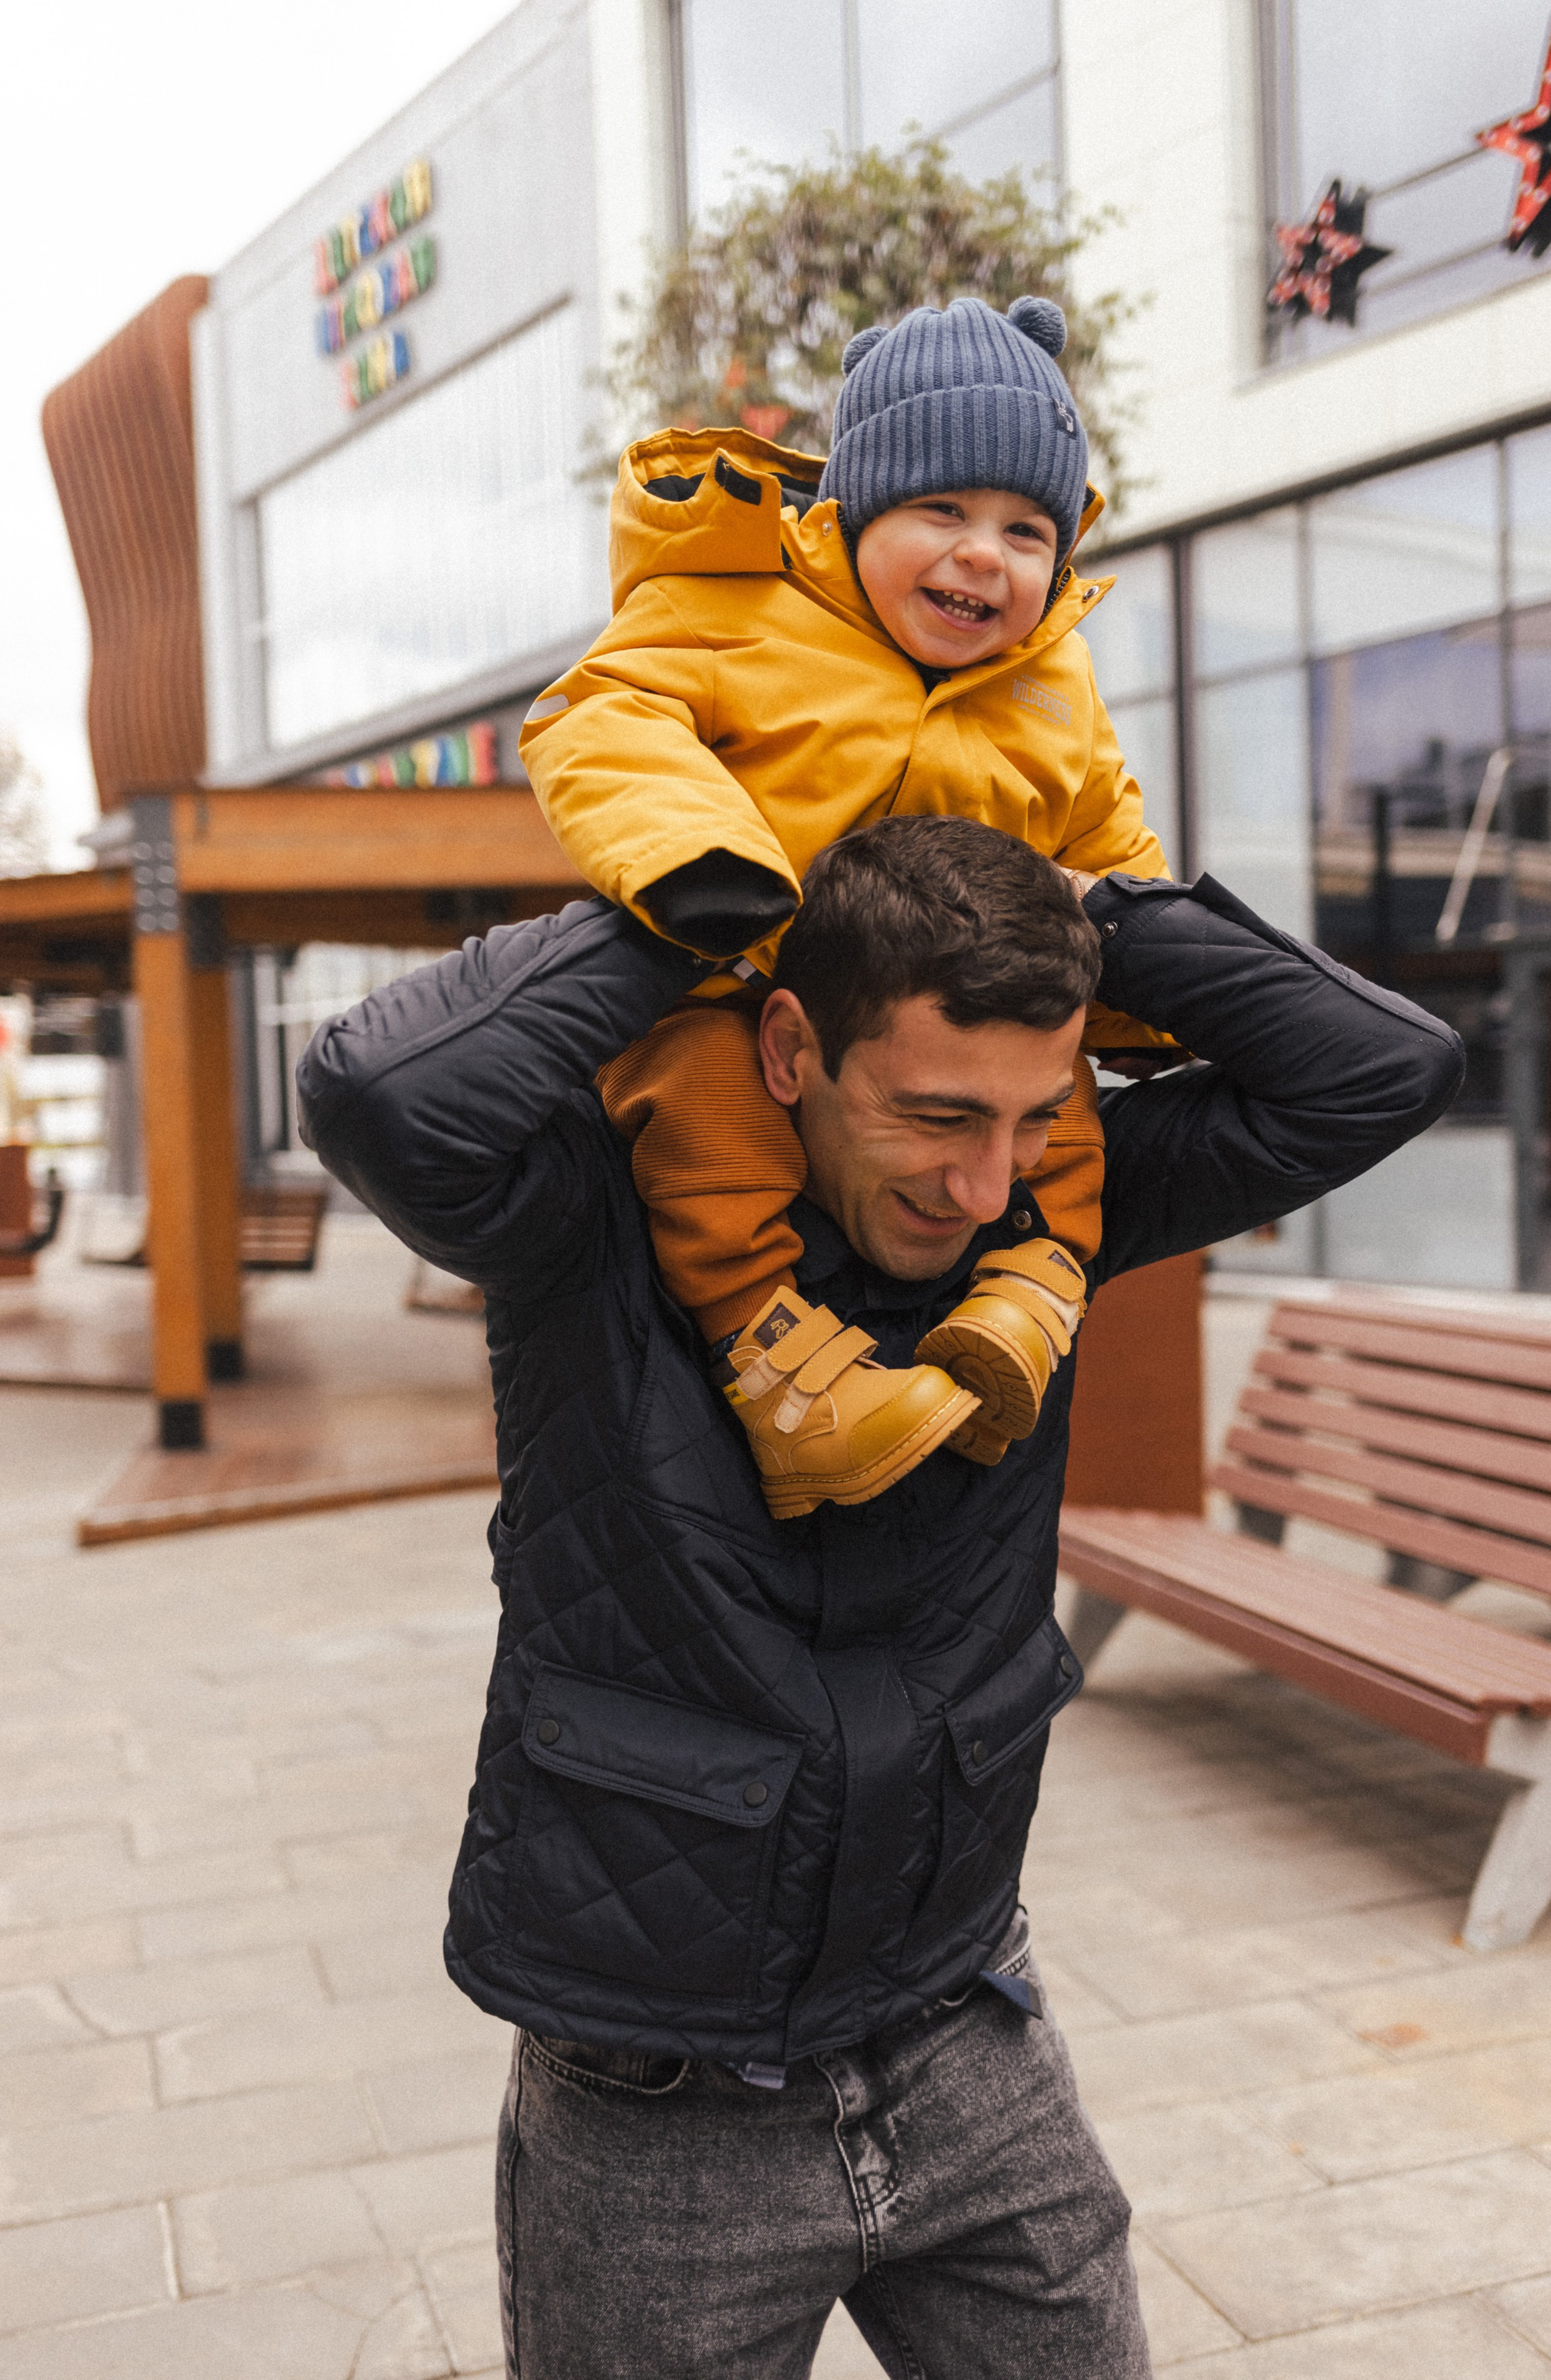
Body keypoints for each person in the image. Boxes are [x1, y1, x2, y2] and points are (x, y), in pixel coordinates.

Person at [298, 814, 1462, 2379]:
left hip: (971, 2040)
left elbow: (1381, 1067)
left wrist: (1088, 901)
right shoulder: (592, 1216)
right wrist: (710, 908)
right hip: (660, 2118)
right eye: (933, 1117)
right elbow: (380, 1088)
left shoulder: (1043, 1212)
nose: (986, 1185)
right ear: (789, 1046)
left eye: (1031, 1115)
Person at [521, 296, 1177, 1513]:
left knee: (1057, 1110)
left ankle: (1031, 1295)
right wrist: (696, 862)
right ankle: (779, 1369)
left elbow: (1103, 834)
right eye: (942, 511)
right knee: (695, 1108)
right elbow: (601, 721)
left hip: (966, 1013)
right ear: (854, 507)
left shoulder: (1050, 683)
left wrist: (1151, 978)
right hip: (749, 980)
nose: (985, 554)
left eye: (1027, 530)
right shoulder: (733, 610)